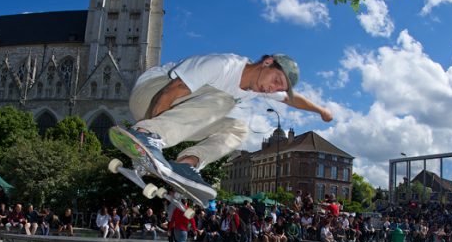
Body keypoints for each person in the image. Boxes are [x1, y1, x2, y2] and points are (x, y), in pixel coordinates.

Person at [111, 52, 333, 201]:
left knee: (238, 128)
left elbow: (292, 99)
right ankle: (148, 134)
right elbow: (170, 92)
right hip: (151, 94)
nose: (271, 89)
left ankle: (186, 165)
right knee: (224, 101)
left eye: (279, 87)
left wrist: (321, 111)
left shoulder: (259, 86)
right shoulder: (224, 66)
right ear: (266, 62)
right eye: (275, 80)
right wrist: (149, 135)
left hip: (176, 113)